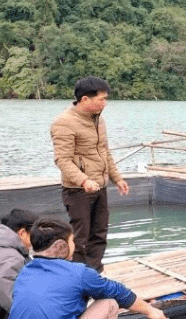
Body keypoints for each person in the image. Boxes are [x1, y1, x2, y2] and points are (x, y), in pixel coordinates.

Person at [4, 218, 166, 319]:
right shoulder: (78, 273)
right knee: (109, 303)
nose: (75, 246)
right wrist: (151, 310)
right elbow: (118, 292)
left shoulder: (25, 271)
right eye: (72, 241)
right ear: (62, 246)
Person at [50, 76, 129, 273]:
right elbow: (63, 160)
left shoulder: (99, 120)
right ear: (85, 99)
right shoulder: (64, 123)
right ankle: (76, 276)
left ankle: (94, 273)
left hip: (100, 187)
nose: (105, 103)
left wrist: (117, 178)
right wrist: (84, 180)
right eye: (101, 99)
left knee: (99, 233)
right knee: (80, 237)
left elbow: (105, 152)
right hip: (77, 190)